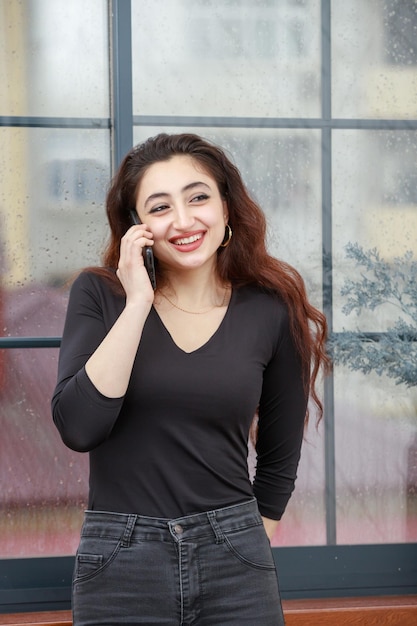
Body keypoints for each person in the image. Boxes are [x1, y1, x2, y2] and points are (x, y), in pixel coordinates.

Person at [52, 133, 329, 625]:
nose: (183, 220)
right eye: (159, 208)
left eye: (198, 197)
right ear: (138, 227)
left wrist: (246, 540)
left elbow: (281, 452)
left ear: (226, 206)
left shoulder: (271, 307)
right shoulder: (100, 295)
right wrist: (138, 302)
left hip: (235, 557)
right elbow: (79, 427)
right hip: (120, 560)